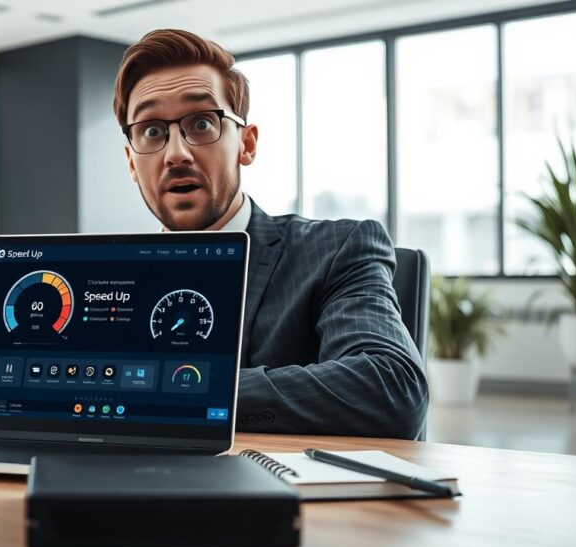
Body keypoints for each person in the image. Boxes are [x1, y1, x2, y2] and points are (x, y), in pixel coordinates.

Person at [113, 29, 428, 439]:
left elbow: (391, 387)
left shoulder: (336, 250)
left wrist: (183, 392)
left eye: (202, 123)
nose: (176, 154)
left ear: (246, 144)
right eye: (153, 132)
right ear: (132, 163)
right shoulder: (111, 278)